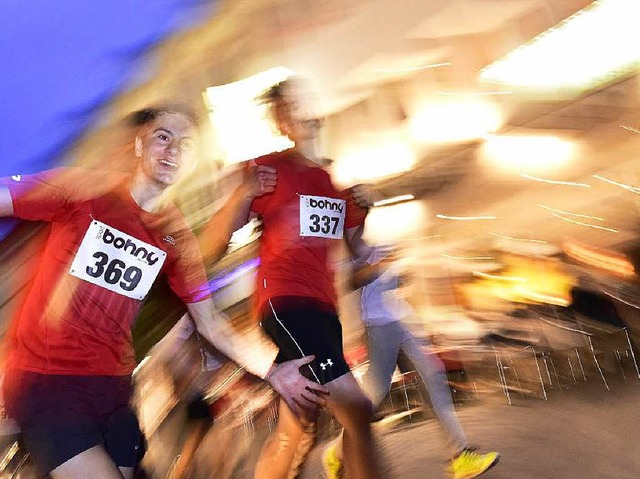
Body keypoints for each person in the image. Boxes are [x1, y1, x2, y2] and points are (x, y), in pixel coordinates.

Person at [0, 104, 327, 479]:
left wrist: (273, 371)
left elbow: (210, 323)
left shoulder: (176, 236)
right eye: (163, 137)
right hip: (47, 383)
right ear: (139, 146)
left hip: (114, 391)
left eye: (185, 145)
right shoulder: (84, 191)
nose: (173, 150)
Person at [211, 78, 383, 479]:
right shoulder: (267, 168)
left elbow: (359, 254)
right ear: (281, 122)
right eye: (288, 108)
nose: (299, 112)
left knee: (298, 421)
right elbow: (217, 240)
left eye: (304, 102)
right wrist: (241, 194)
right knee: (356, 410)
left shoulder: (334, 186)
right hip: (286, 304)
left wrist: (366, 207)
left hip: (324, 309)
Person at [323, 246, 500, 479]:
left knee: (433, 377)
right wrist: (384, 263)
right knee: (375, 393)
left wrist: (400, 272)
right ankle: (337, 453)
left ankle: (460, 457)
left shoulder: (376, 232)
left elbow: (390, 280)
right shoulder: (350, 236)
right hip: (376, 323)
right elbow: (351, 280)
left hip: (399, 316)